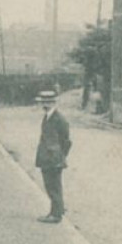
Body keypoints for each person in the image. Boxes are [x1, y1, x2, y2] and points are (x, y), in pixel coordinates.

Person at [34, 90, 72, 223]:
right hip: (47, 157)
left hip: (54, 159)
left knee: (53, 186)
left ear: (53, 102)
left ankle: (56, 215)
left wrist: (60, 156)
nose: (45, 104)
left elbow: (66, 141)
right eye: (43, 102)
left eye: (48, 102)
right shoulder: (47, 116)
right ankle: (56, 210)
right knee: (50, 186)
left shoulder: (59, 119)